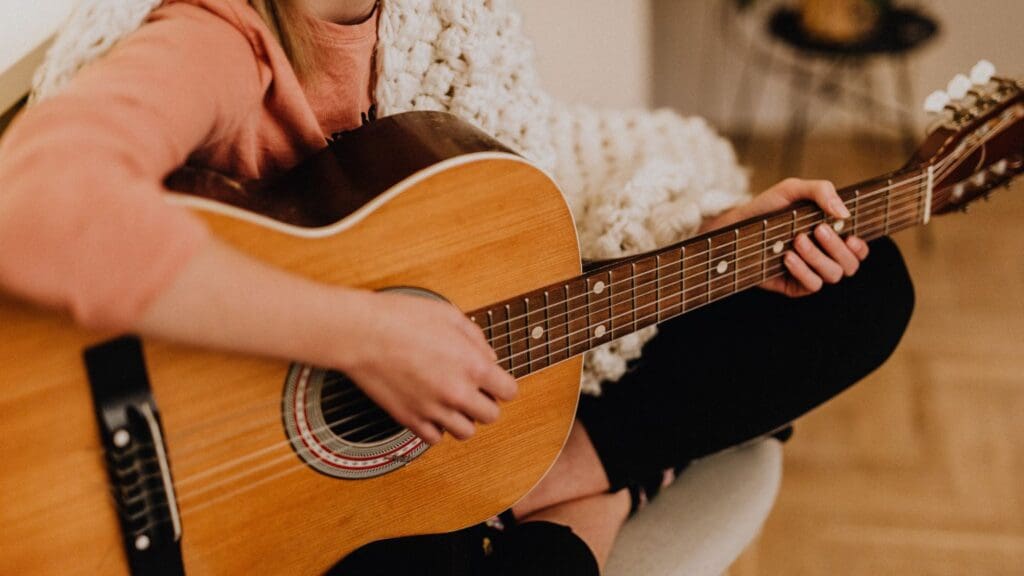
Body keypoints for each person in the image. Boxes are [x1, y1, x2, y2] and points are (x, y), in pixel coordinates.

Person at [0, 0, 914, 574]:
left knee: (858, 289)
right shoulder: (215, 36)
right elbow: (34, 208)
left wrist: (706, 236)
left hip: (430, 374)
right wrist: (360, 338)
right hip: (223, 475)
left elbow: (529, 213)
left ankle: (561, 477)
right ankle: (604, 494)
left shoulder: (443, 20)